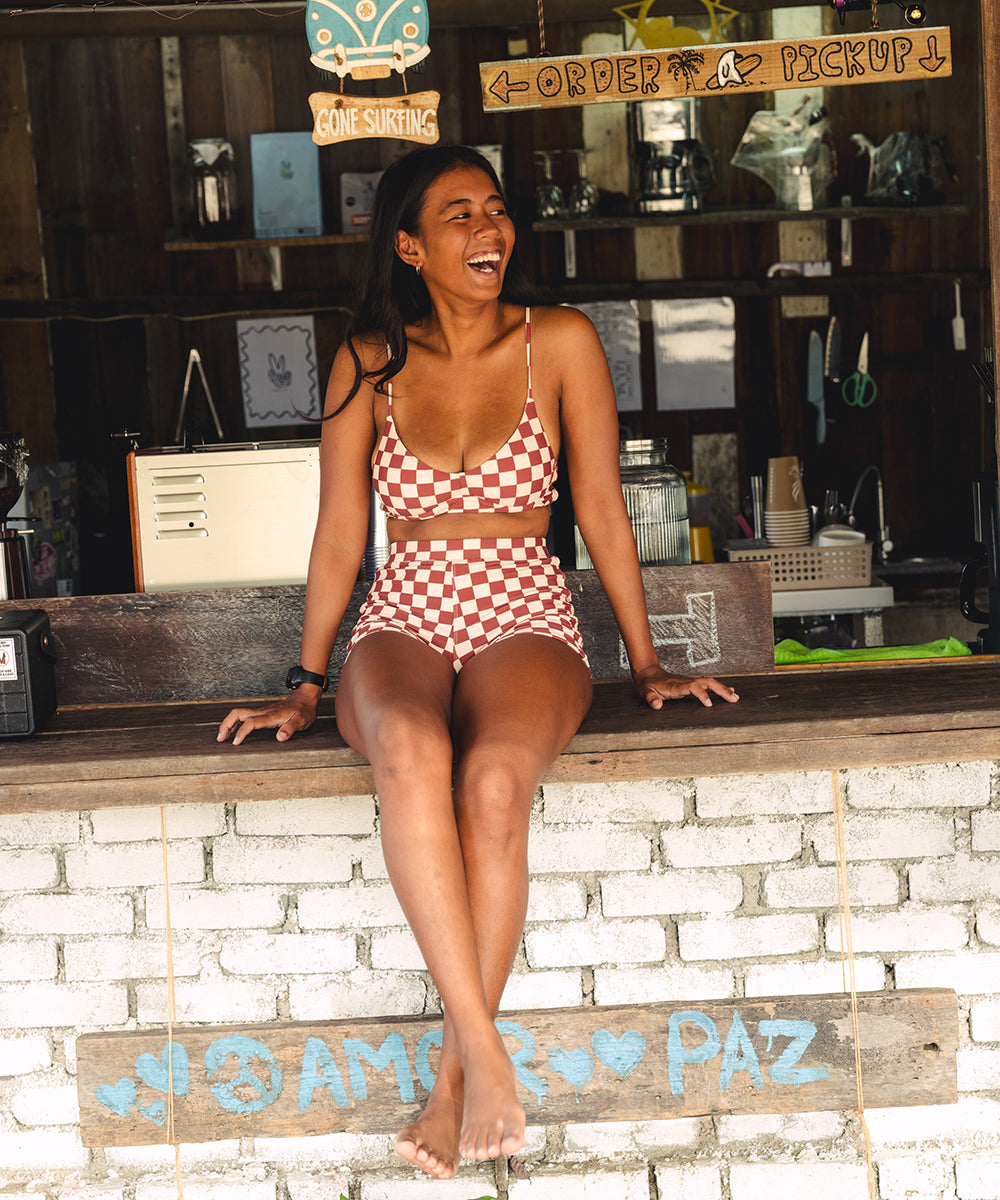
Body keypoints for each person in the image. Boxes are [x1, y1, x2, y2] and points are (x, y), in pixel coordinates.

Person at [218, 145, 739, 1179]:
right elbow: (337, 535)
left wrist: (647, 661)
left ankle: (456, 1077)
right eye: (458, 215)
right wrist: (305, 682)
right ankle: (486, 1053)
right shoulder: (368, 360)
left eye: (495, 210)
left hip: (522, 611)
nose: (489, 230)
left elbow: (596, 511)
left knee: (494, 779)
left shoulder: (562, 344)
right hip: (403, 612)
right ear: (409, 246)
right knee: (408, 748)